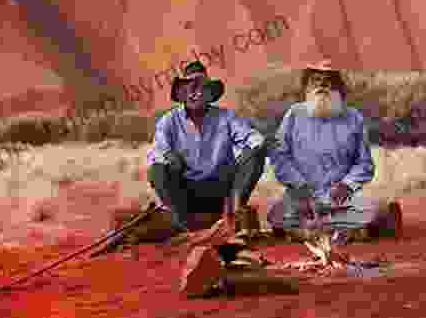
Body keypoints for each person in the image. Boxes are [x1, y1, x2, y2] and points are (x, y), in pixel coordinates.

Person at [267, 59, 402, 244]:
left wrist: (346, 185)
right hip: (303, 196)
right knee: (277, 213)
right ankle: (343, 231)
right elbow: (279, 156)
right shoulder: (294, 114)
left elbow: (364, 164)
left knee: (370, 207)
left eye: (327, 80)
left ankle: (309, 232)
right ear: (306, 87)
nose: (322, 84)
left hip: (341, 198)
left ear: (338, 87)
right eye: (315, 80)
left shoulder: (354, 117)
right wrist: (299, 185)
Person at [146, 60, 269, 244]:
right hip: (185, 191)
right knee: (157, 169)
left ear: (209, 93)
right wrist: (169, 157)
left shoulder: (226, 117)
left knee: (256, 153)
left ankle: (234, 214)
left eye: (200, 87)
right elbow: (156, 152)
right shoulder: (169, 121)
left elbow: (253, 137)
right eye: (189, 88)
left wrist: (251, 148)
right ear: (181, 94)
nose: (195, 93)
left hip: (221, 189)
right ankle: (186, 225)